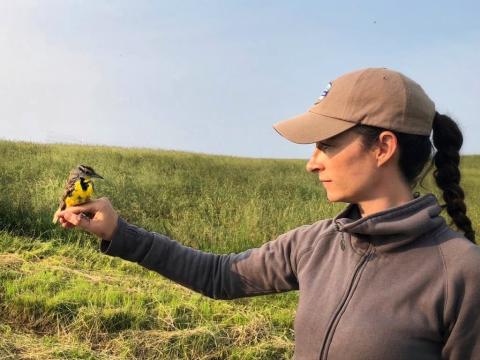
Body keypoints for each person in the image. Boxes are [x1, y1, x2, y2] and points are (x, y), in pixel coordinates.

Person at [57, 68, 479, 359]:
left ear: (383, 147)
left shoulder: (461, 274)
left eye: (327, 144)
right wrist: (118, 231)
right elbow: (220, 275)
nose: (312, 162)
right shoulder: (316, 243)